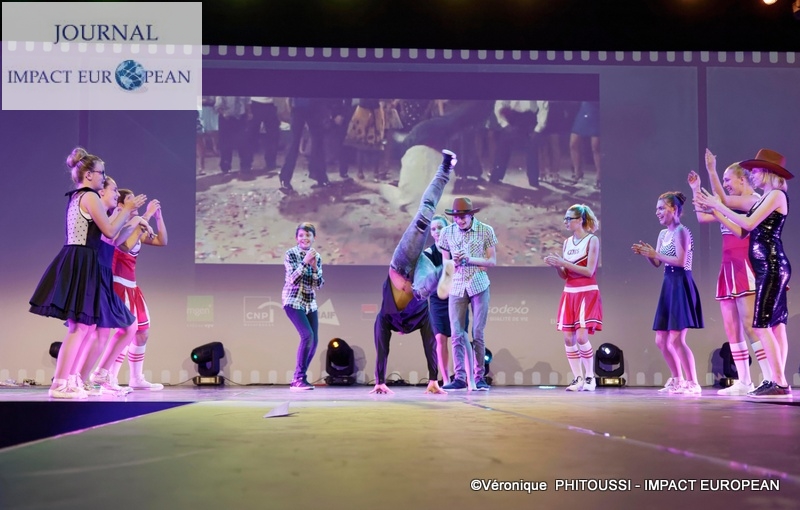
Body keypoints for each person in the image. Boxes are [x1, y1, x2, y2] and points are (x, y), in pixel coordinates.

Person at [29, 148, 145, 399]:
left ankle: (71, 379)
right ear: (89, 174)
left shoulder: (82, 197)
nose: (103, 177)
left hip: (84, 259)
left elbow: (111, 237)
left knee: (83, 326)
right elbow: (110, 232)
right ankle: (60, 383)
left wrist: (128, 216)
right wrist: (127, 210)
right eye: (101, 173)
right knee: (79, 327)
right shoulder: (89, 196)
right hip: (82, 259)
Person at [694, 148, 792, 399]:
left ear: (768, 172)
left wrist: (718, 204)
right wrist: (717, 210)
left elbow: (747, 222)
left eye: (756, 171)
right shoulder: (765, 198)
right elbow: (741, 231)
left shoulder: (775, 195)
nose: (753, 175)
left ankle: (778, 381)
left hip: (771, 263)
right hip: (763, 265)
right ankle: (775, 380)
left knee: (762, 324)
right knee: (768, 325)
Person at [369, 151, 457, 395]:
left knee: (424, 215)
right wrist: (432, 380)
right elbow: (429, 343)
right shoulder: (420, 319)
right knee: (421, 290)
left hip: (402, 263)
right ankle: (444, 270)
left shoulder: (384, 319)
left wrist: (380, 381)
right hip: (420, 269)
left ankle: (446, 168)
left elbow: (382, 347)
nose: (402, 331)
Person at [688, 149, 761, 395]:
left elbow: (722, 202)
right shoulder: (730, 205)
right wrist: (695, 189)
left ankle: (770, 378)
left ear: (743, 179)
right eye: (724, 180)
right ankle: (744, 381)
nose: (726, 185)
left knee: (750, 325)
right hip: (727, 266)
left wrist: (712, 171)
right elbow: (702, 217)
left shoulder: (753, 200)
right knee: (732, 328)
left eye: (728, 180)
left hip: (744, 265)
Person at [632, 192, 703, 395]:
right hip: (668, 284)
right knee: (661, 340)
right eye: (657, 209)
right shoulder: (663, 234)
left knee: (677, 339)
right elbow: (657, 262)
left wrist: (656, 254)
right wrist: (648, 255)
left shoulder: (682, 231)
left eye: (661, 208)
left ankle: (693, 382)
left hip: (681, 284)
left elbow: (681, 261)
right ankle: (677, 379)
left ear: (674, 209)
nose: (658, 212)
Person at [107, 190, 169, 391]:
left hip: (132, 286)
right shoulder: (117, 227)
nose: (135, 202)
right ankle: (109, 377)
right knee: (125, 332)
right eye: (130, 198)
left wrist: (158, 217)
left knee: (142, 333)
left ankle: (136, 378)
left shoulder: (137, 227)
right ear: (120, 205)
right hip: (118, 284)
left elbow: (161, 241)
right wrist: (147, 215)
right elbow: (125, 246)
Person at [438, 196, 498, 391]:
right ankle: (460, 377)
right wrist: (453, 262)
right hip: (456, 286)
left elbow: (492, 261)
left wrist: (470, 259)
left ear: (471, 215)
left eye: (463, 216)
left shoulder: (485, 230)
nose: (459, 220)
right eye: (456, 217)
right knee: (456, 333)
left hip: (478, 284)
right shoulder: (447, 232)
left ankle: (479, 377)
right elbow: (445, 263)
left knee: (477, 332)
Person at [544, 204, 602, 392]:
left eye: (569, 218)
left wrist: (564, 262)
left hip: (587, 292)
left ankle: (590, 377)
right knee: (569, 339)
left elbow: (589, 271)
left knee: (582, 336)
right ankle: (578, 378)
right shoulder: (567, 242)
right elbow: (565, 275)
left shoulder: (592, 240)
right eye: (565, 218)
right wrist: (557, 266)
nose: (566, 222)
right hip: (569, 292)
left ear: (580, 220)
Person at [282, 222, 325, 390]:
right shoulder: (291, 254)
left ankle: (298, 378)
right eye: (301, 235)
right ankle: (299, 378)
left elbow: (318, 285)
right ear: (296, 238)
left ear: (314, 238)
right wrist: (305, 262)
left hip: (309, 302)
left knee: (314, 341)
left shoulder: (317, 257)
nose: (304, 238)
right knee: (307, 335)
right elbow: (293, 279)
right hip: (293, 300)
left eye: (308, 235)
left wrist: (314, 268)